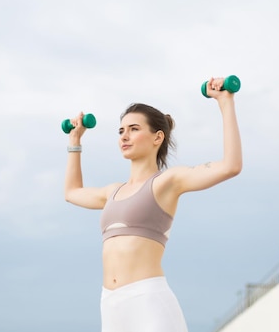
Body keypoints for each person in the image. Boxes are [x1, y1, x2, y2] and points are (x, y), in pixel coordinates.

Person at [64, 77, 243, 332]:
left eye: (134, 129)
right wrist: (75, 140)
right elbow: (72, 192)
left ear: (157, 137)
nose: (125, 136)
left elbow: (230, 166)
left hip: (147, 301)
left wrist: (225, 102)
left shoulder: (166, 182)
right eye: (121, 130)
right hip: (111, 304)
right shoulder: (112, 192)